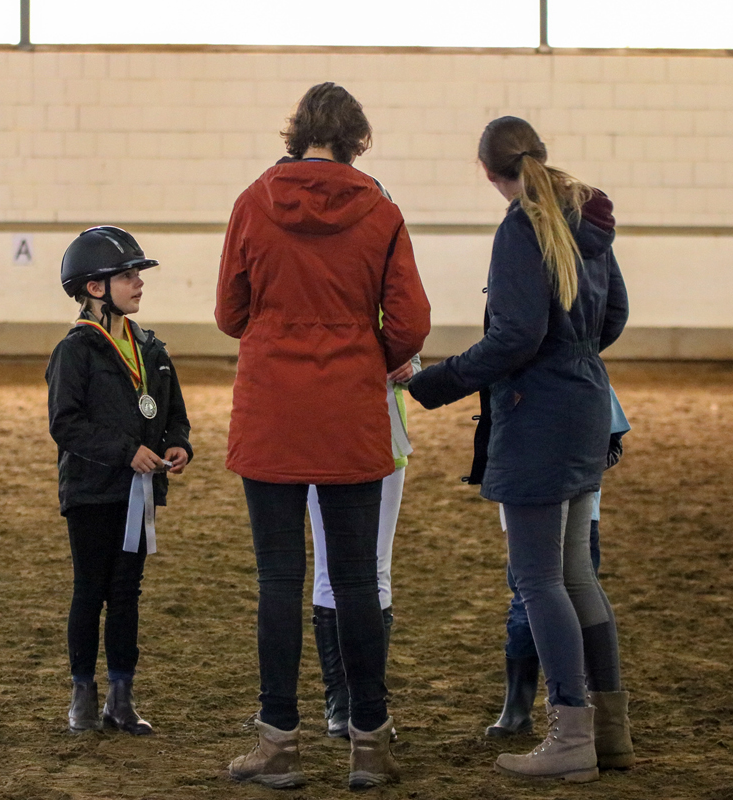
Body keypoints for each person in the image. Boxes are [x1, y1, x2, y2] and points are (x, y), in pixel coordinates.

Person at [216, 82, 430, 789]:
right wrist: (371, 347)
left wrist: (278, 328)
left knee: (279, 579)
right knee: (357, 578)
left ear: (296, 132)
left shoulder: (253, 201)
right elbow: (410, 323)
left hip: (274, 407)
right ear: (355, 139)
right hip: (348, 412)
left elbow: (229, 311)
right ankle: (369, 741)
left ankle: (278, 741)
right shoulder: (381, 209)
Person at [405, 116, 630, 783]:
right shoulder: (584, 217)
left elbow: (514, 337)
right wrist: (574, 360)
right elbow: (614, 315)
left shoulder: (520, 228)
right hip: (588, 402)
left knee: (537, 579)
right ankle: (611, 732)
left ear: (486, 170)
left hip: (538, 415)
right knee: (577, 575)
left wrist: (432, 383)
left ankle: (570, 732)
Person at [46, 226, 193, 737]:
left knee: (127, 592)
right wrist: (125, 452)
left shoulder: (150, 347)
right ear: (94, 288)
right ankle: (82, 694)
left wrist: (179, 443)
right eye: (127, 276)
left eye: (137, 275)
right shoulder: (76, 350)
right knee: (90, 590)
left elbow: (173, 412)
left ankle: (121, 696)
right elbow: (65, 423)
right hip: (90, 491)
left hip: (140, 493)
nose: (138, 283)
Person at [486, 388, 630, 741]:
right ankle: (584, 720)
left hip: (546, 496)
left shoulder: (560, 363)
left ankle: (563, 716)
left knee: (536, 594)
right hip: (544, 496)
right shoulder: (581, 362)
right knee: (549, 593)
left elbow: (611, 443)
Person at [308, 358, 417, 740]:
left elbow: (409, 341)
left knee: (374, 569)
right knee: (333, 569)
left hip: (380, 432)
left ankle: (366, 700)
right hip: (322, 432)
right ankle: (341, 699)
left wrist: (410, 365)